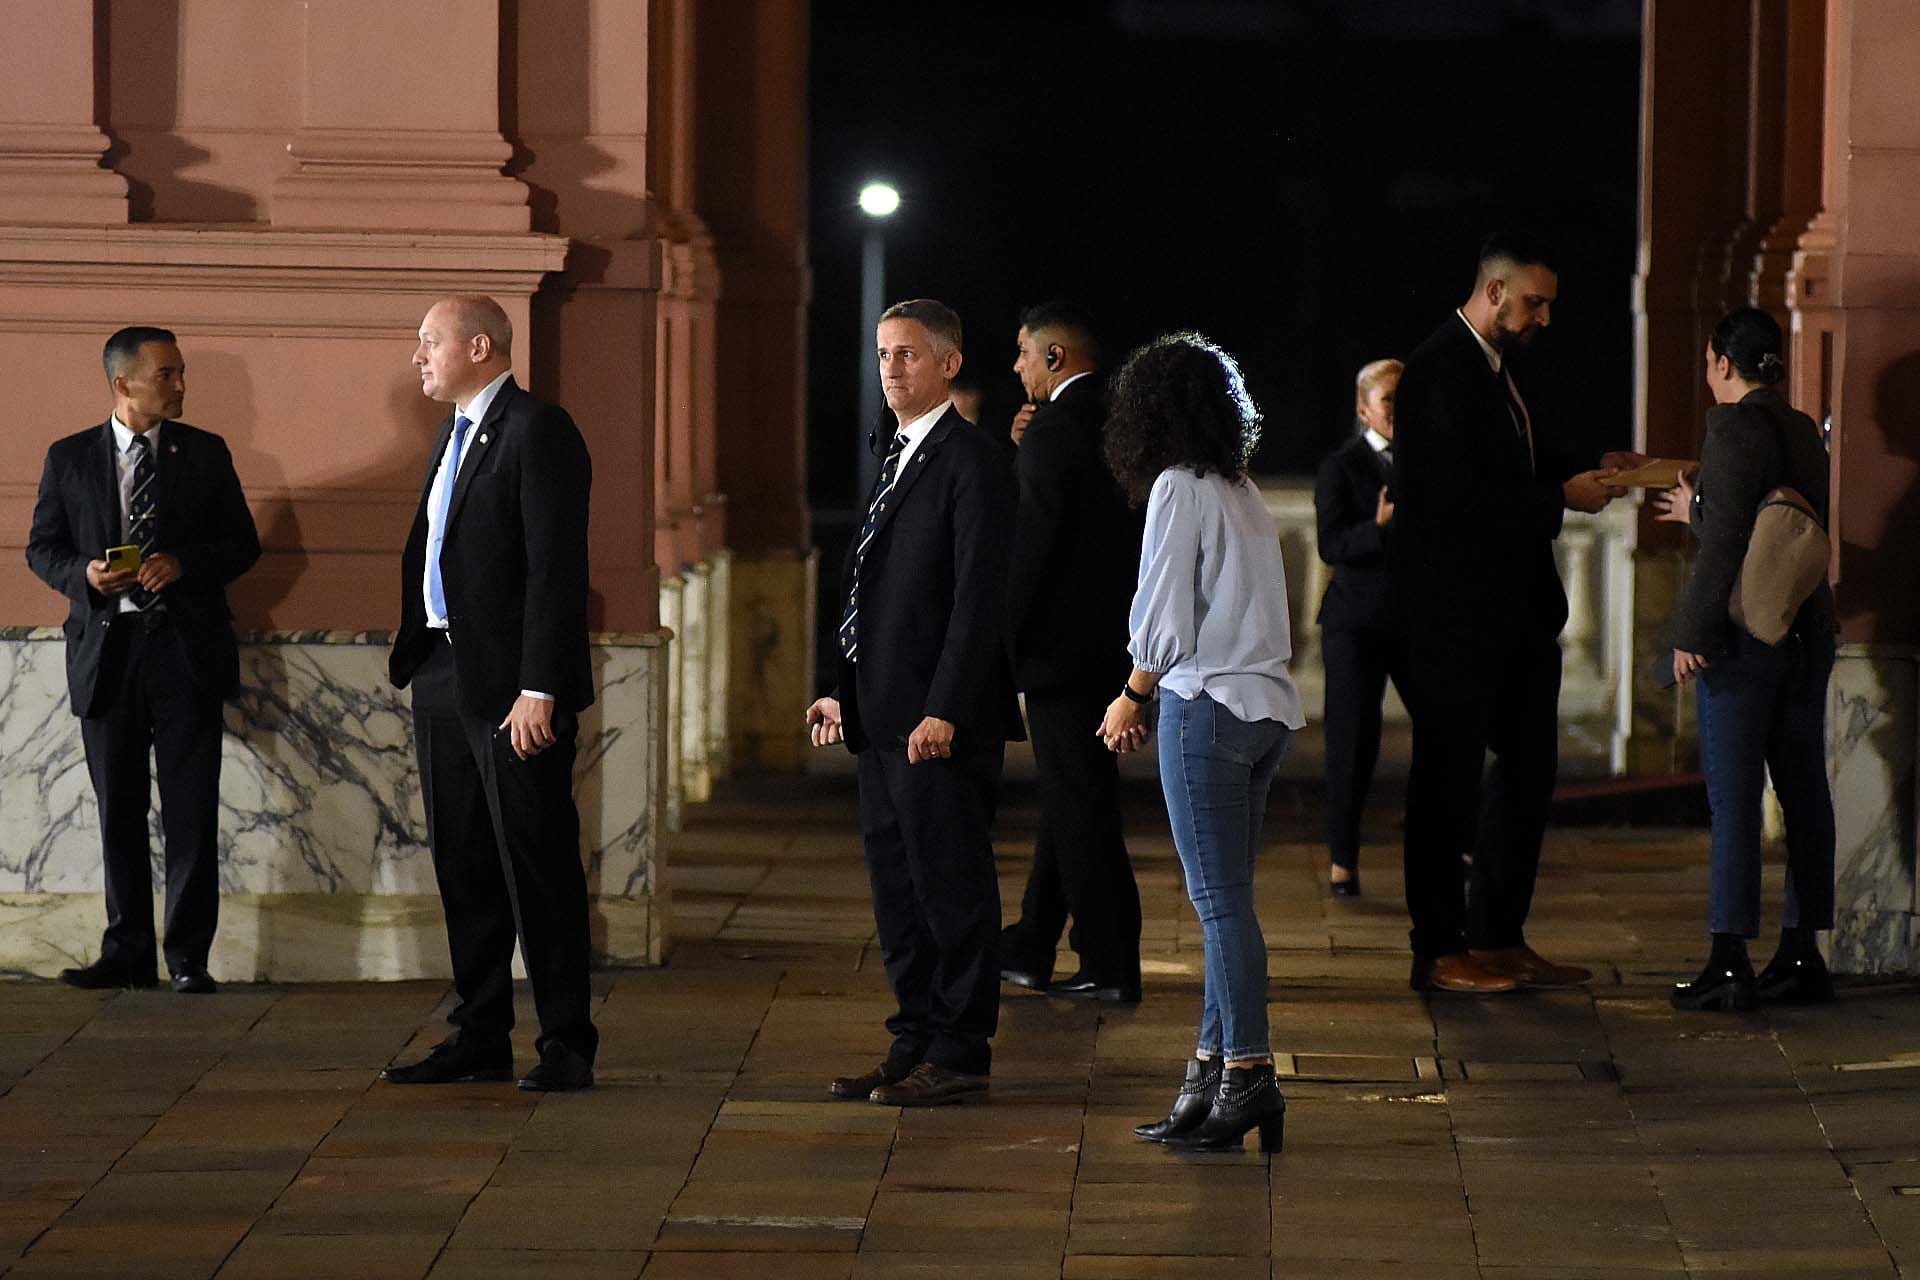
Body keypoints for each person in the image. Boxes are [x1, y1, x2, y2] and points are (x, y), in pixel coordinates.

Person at [1389, 231, 1626, 995]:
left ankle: (1499, 934)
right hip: (1455, 619)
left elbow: (1517, 462)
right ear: (1493, 293)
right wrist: (1560, 497)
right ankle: (1439, 947)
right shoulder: (1436, 370)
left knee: (1528, 772)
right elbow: (1454, 499)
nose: (1545, 318)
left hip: (1517, 617)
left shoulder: (1501, 371)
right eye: (1535, 302)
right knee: (1446, 782)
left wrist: (1589, 468)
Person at [806, 299, 1020, 1107]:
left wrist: (947, 708)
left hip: (936, 723)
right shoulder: (894, 453)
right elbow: (867, 581)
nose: (890, 369)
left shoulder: (972, 463)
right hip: (879, 715)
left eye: (906, 355)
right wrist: (839, 687)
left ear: (949, 364)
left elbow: (976, 602)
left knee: (950, 886)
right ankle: (914, 1038)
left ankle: (960, 1050)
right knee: (896, 886)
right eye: (883, 354)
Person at [382, 296, 599, 1093]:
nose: (418, 356)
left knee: (535, 864)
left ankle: (567, 1045)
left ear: (480, 346)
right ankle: (479, 1035)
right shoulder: (457, 430)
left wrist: (540, 688)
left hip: (514, 691)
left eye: (429, 341)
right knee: (464, 862)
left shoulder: (539, 429)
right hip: (442, 673)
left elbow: (555, 569)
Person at [1098, 332, 1301, 1154]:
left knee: (1220, 909)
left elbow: (1164, 617)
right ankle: (1212, 1073)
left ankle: (1249, 1072)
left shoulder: (1177, 488)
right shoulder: (1240, 488)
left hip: (1207, 705)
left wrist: (1130, 695)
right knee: (1230, 906)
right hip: (1264, 712)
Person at [26, 326, 261, 995]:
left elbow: (242, 545)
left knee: (191, 810)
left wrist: (183, 564)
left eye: (182, 372)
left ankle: (188, 957)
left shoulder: (206, 454)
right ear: (123, 382)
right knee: (118, 810)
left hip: (186, 655)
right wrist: (85, 575)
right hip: (108, 656)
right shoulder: (69, 458)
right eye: (168, 374)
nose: (181, 385)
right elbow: (42, 548)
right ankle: (126, 951)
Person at [1657, 306, 1837, 1011]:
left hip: (1743, 639)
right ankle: (1802, 952)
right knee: (1804, 792)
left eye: (1709, 361)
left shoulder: (1731, 426)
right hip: (1807, 627)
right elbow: (1785, 523)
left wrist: (1690, 634)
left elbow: (1730, 537)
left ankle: (1729, 957)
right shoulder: (1800, 428)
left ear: (1722, 363)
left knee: (1733, 798)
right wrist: (1699, 507)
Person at [999, 301, 1144, 1003]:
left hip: (1060, 652)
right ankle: (1030, 942)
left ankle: (1110, 962)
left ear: (1055, 357)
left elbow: (1031, 550)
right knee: (1073, 798)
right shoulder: (1117, 421)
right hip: (1109, 646)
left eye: (1024, 352)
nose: (1016, 366)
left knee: (1082, 808)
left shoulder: (1054, 431)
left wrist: (1000, 641)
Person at [1313, 358, 1407, 898]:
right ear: (1363, 407)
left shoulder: (1425, 461)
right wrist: (1377, 528)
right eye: (1390, 398)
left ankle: (1457, 844)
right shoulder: (1341, 466)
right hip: (1355, 623)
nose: (1399, 409)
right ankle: (1342, 858)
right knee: (1352, 740)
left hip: (1414, 618)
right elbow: (1332, 545)